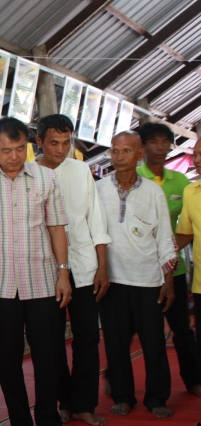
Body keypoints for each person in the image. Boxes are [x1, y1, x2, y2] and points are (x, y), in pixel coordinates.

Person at [0, 117, 71, 426]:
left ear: (28, 145)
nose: (14, 157)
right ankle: (20, 420)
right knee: (8, 360)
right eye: (6, 150)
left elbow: (56, 228)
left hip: (42, 283)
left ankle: (48, 418)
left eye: (20, 149)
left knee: (47, 357)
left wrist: (63, 273)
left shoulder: (46, 178)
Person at [35, 114, 111, 426]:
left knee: (88, 339)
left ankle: (84, 404)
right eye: (54, 143)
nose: (60, 149)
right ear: (39, 141)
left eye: (66, 143)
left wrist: (103, 266)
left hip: (85, 268)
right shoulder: (29, 174)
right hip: (46, 273)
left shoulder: (81, 170)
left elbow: (96, 219)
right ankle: (63, 402)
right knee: (51, 343)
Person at [96, 131, 177, 419]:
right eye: (115, 151)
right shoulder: (99, 188)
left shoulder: (153, 192)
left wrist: (168, 280)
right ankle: (123, 396)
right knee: (115, 342)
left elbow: (164, 236)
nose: (119, 157)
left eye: (126, 151)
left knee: (153, 342)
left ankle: (156, 398)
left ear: (139, 154)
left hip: (148, 279)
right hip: (112, 280)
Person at [136, 123, 201, 396]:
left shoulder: (182, 182)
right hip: (141, 271)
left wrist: (168, 251)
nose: (160, 146)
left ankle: (193, 380)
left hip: (175, 268)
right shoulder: (133, 177)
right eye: (153, 141)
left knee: (182, 329)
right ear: (142, 147)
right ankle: (123, 384)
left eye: (164, 141)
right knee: (140, 332)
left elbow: (185, 230)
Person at [176, 138, 201, 384]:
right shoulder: (190, 192)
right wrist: (158, 254)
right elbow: (185, 233)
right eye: (196, 154)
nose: (198, 160)